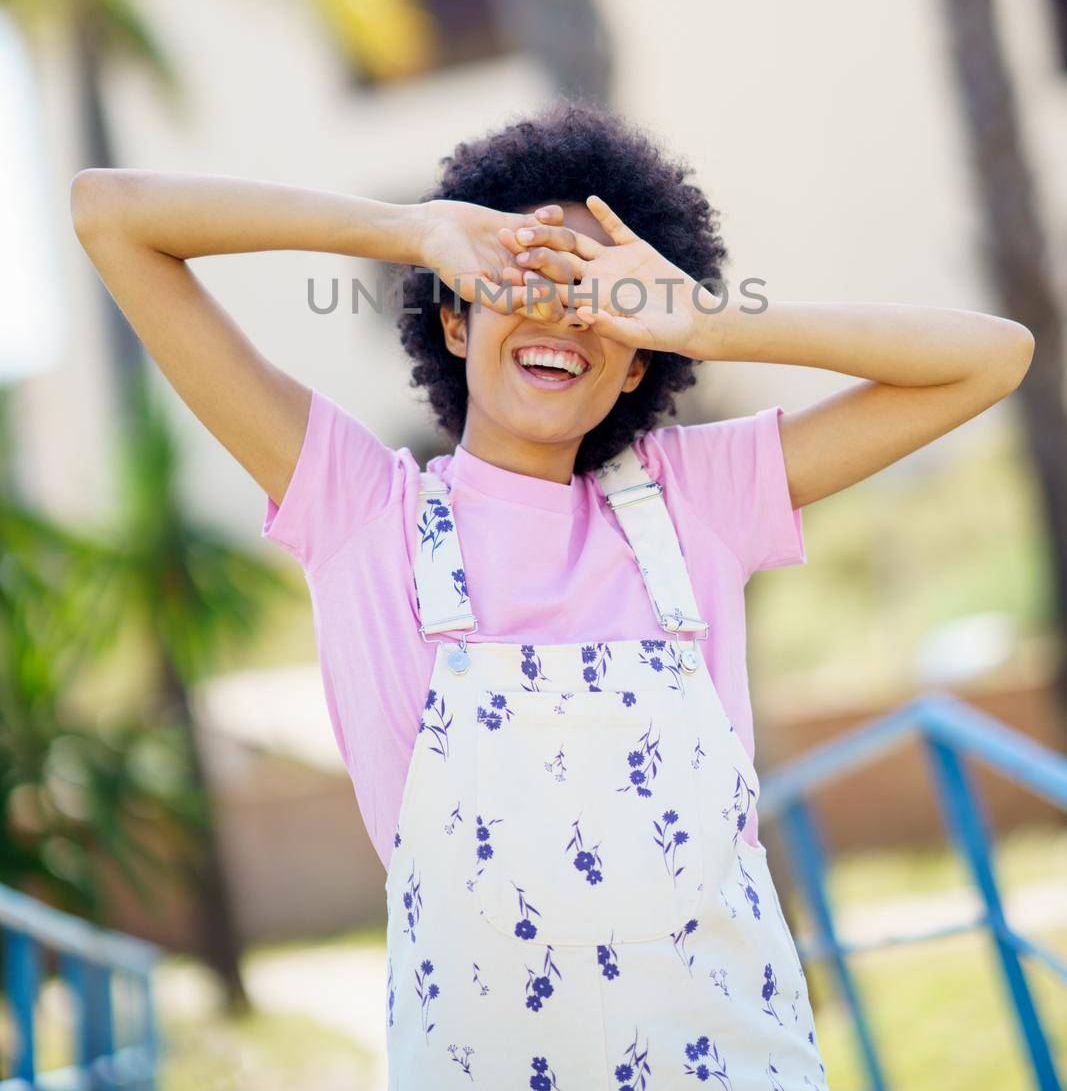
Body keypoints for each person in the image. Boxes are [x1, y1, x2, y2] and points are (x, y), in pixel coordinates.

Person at [70, 99, 1034, 1089]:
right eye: (523, 277)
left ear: (634, 368)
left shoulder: (695, 498)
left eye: (597, 296)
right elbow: (111, 215)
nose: (559, 315)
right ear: (453, 313)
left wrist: (706, 320)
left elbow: (989, 357)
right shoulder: (360, 511)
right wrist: (411, 227)